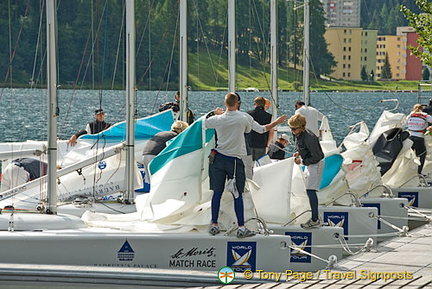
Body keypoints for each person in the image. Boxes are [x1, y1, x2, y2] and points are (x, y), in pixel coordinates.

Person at [205, 92, 256, 238]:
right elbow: (247, 130)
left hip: (218, 159)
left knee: (217, 192)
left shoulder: (218, 119)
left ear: (224, 103)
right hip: (234, 160)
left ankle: (214, 224)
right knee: (237, 194)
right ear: (238, 103)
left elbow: (204, 122)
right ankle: (241, 227)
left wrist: (214, 113)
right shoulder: (243, 118)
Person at [288, 114, 324, 229]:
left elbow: (317, 157)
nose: (292, 131)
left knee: (311, 190)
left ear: (301, 127)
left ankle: (315, 219)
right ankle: (315, 217)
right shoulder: (299, 134)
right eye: (291, 128)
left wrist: (302, 162)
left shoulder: (309, 138)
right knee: (309, 190)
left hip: (316, 164)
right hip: (311, 163)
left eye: (294, 129)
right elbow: (301, 146)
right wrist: (298, 153)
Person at [406, 103, 432, 174]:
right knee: (422, 155)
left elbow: (405, 123)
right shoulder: (425, 115)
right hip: (419, 138)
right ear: (422, 109)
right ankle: (419, 173)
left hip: (410, 138)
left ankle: (409, 172)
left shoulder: (410, 115)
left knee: (410, 155)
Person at [247, 96, 274, 161]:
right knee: (259, 164)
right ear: (264, 104)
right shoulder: (269, 116)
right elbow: (271, 131)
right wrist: (268, 144)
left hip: (249, 143)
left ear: (255, 104)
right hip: (261, 143)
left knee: (249, 164)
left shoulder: (248, 114)